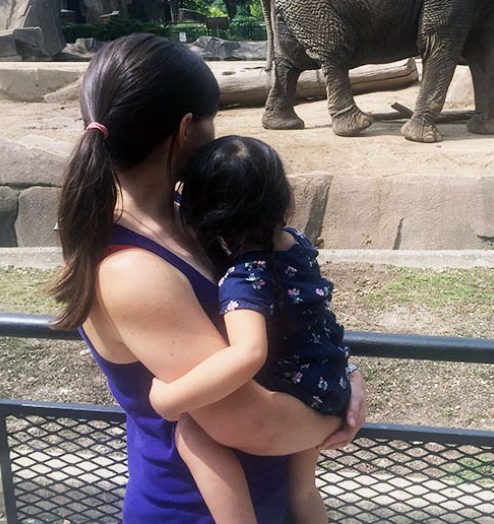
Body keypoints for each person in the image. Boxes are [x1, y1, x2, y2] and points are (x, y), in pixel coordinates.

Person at [49, 33, 366, 523]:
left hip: (269, 495)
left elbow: (292, 305)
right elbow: (251, 423)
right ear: (184, 129)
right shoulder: (131, 270)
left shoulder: (195, 216)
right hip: (193, 511)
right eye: (212, 120)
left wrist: (344, 375)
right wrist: (333, 413)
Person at [149, 135, 351, 523]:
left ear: (210, 213)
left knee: (191, 433)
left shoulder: (244, 278)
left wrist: (169, 400)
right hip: (328, 380)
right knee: (304, 490)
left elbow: (249, 352)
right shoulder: (297, 244)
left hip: (298, 394)